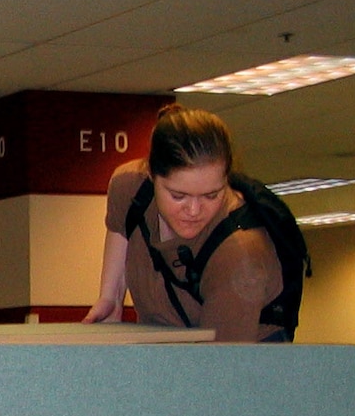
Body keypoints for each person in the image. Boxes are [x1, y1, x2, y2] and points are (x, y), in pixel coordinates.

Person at [82, 106, 287, 343]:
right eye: (178, 196)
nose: (193, 211)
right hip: (166, 342)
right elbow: (121, 230)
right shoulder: (130, 188)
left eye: (211, 195)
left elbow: (221, 367)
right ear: (151, 173)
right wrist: (110, 298)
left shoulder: (241, 253)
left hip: (240, 357)